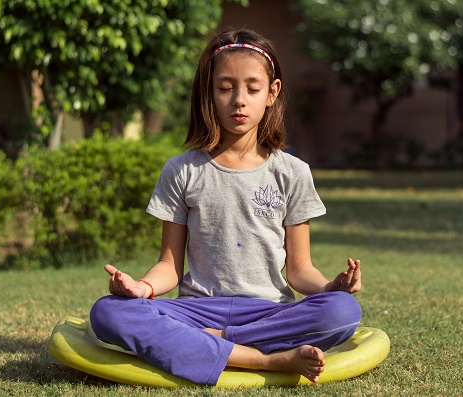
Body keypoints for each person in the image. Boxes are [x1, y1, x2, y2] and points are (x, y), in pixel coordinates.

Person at [90, 26, 362, 386]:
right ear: (209, 93)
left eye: (252, 88)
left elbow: (299, 269)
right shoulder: (182, 170)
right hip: (196, 309)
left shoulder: (293, 173)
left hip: (268, 312)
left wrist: (331, 287)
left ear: (272, 93)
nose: (238, 100)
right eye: (224, 88)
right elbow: (169, 267)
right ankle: (268, 359)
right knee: (108, 312)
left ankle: (206, 344)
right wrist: (143, 288)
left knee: (342, 312)